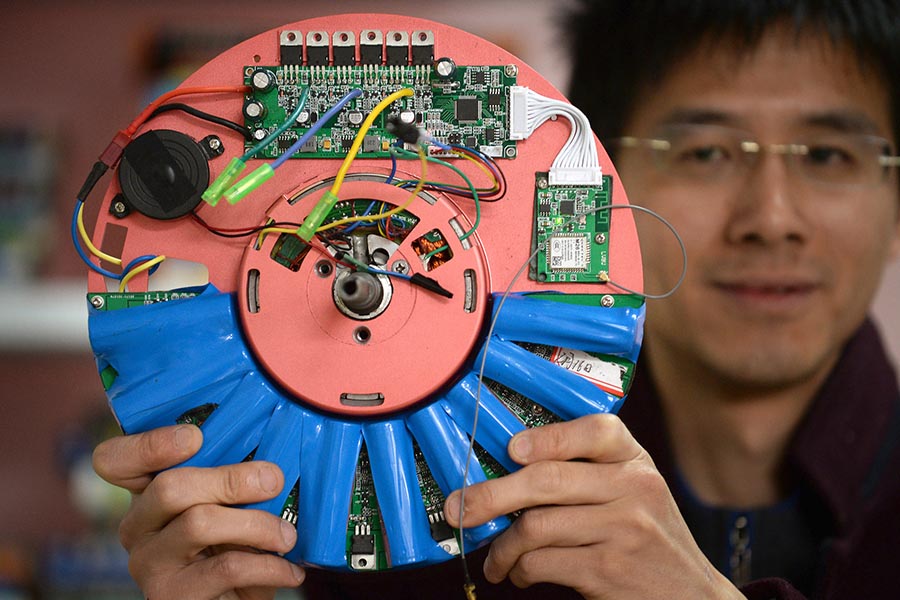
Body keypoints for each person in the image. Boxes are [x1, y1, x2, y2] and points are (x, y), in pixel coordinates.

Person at [92, 1, 900, 598]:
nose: (770, 219)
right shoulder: (372, 522)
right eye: (707, 151)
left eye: (828, 154)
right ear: (590, 175)